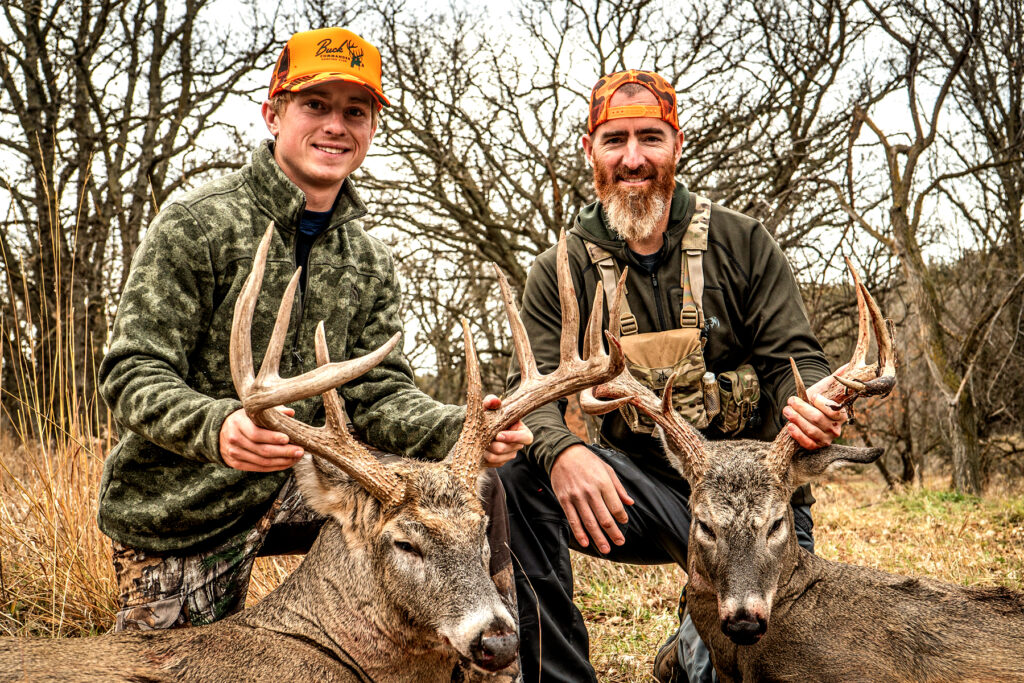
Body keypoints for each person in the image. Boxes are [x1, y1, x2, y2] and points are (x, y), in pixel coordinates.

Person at [97, 26, 530, 652]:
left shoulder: (369, 259)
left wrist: (462, 429)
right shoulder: (198, 224)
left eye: (355, 111)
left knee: (468, 497)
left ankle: (492, 658)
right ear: (273, 113)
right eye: (315, 105)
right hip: (185, 507)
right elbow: (132, 370)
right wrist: (217, 427)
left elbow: (378, 393)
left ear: (372, 128)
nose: (336, 125)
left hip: (320, 489)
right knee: (173, 665)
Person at [498, 70, 847, 683]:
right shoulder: (561, 266)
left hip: (754, 499)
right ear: (590, 151)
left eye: (650, 138)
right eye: (615, 140)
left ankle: (689, 652)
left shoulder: (743, 242)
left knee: (752, 663)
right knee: (515, 474)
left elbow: (796, 360)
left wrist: (810, 403)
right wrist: (561, 453)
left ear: (677, 144)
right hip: (639, 492)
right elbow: (538, 394)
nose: (633, 159)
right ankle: (563, 678)